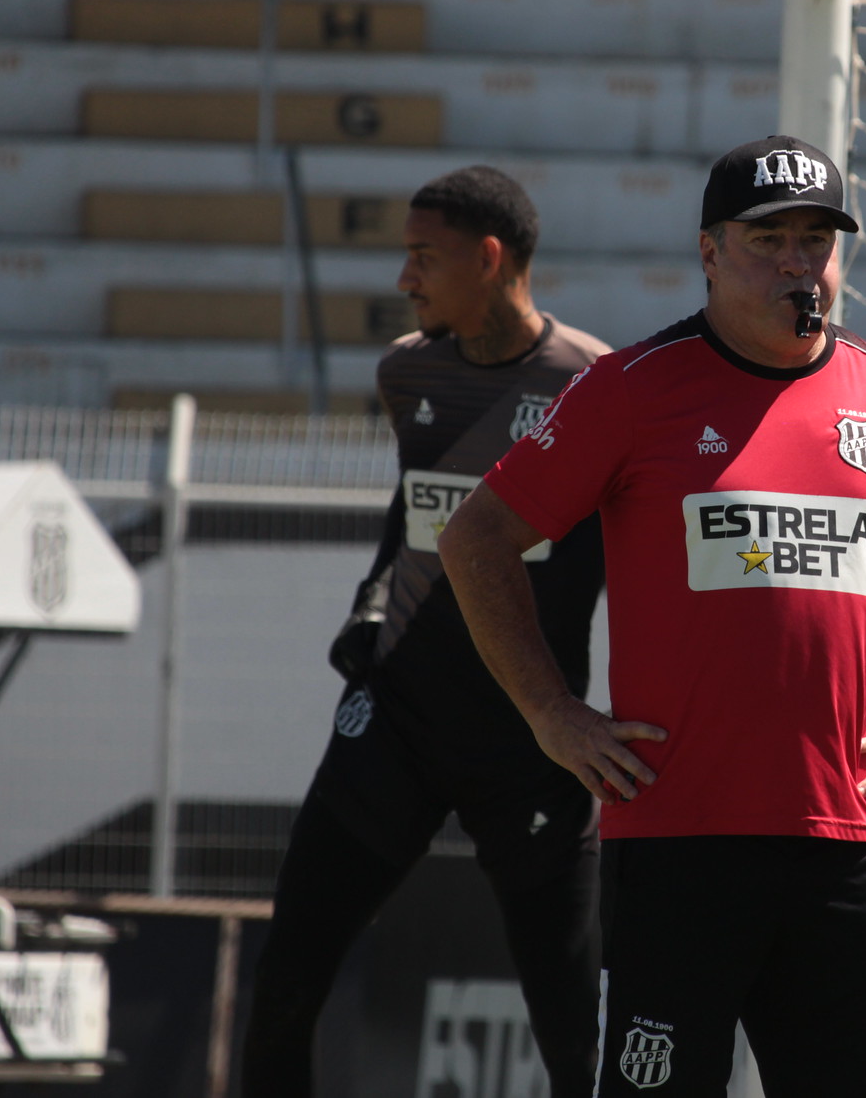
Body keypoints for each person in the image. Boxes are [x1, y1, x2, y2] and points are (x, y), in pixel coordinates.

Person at [437, 134, 866, 1097]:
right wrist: (552, 711)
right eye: (769, 240)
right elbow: (477, 539)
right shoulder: (630, 390)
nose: (799, 262)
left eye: (817, 239)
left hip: (844, 844)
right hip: (675, 848)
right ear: (710, 252)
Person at [240, 167, 612, 1098]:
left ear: (489, 259)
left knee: (576, 1036)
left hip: (533, 740)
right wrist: (369, 603)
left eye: (422, 256)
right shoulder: (407, 372)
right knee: (283, 990)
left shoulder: (595, 387)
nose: (405, 280)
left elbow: (630, 557)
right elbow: (415, 509)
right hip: (397, 719)